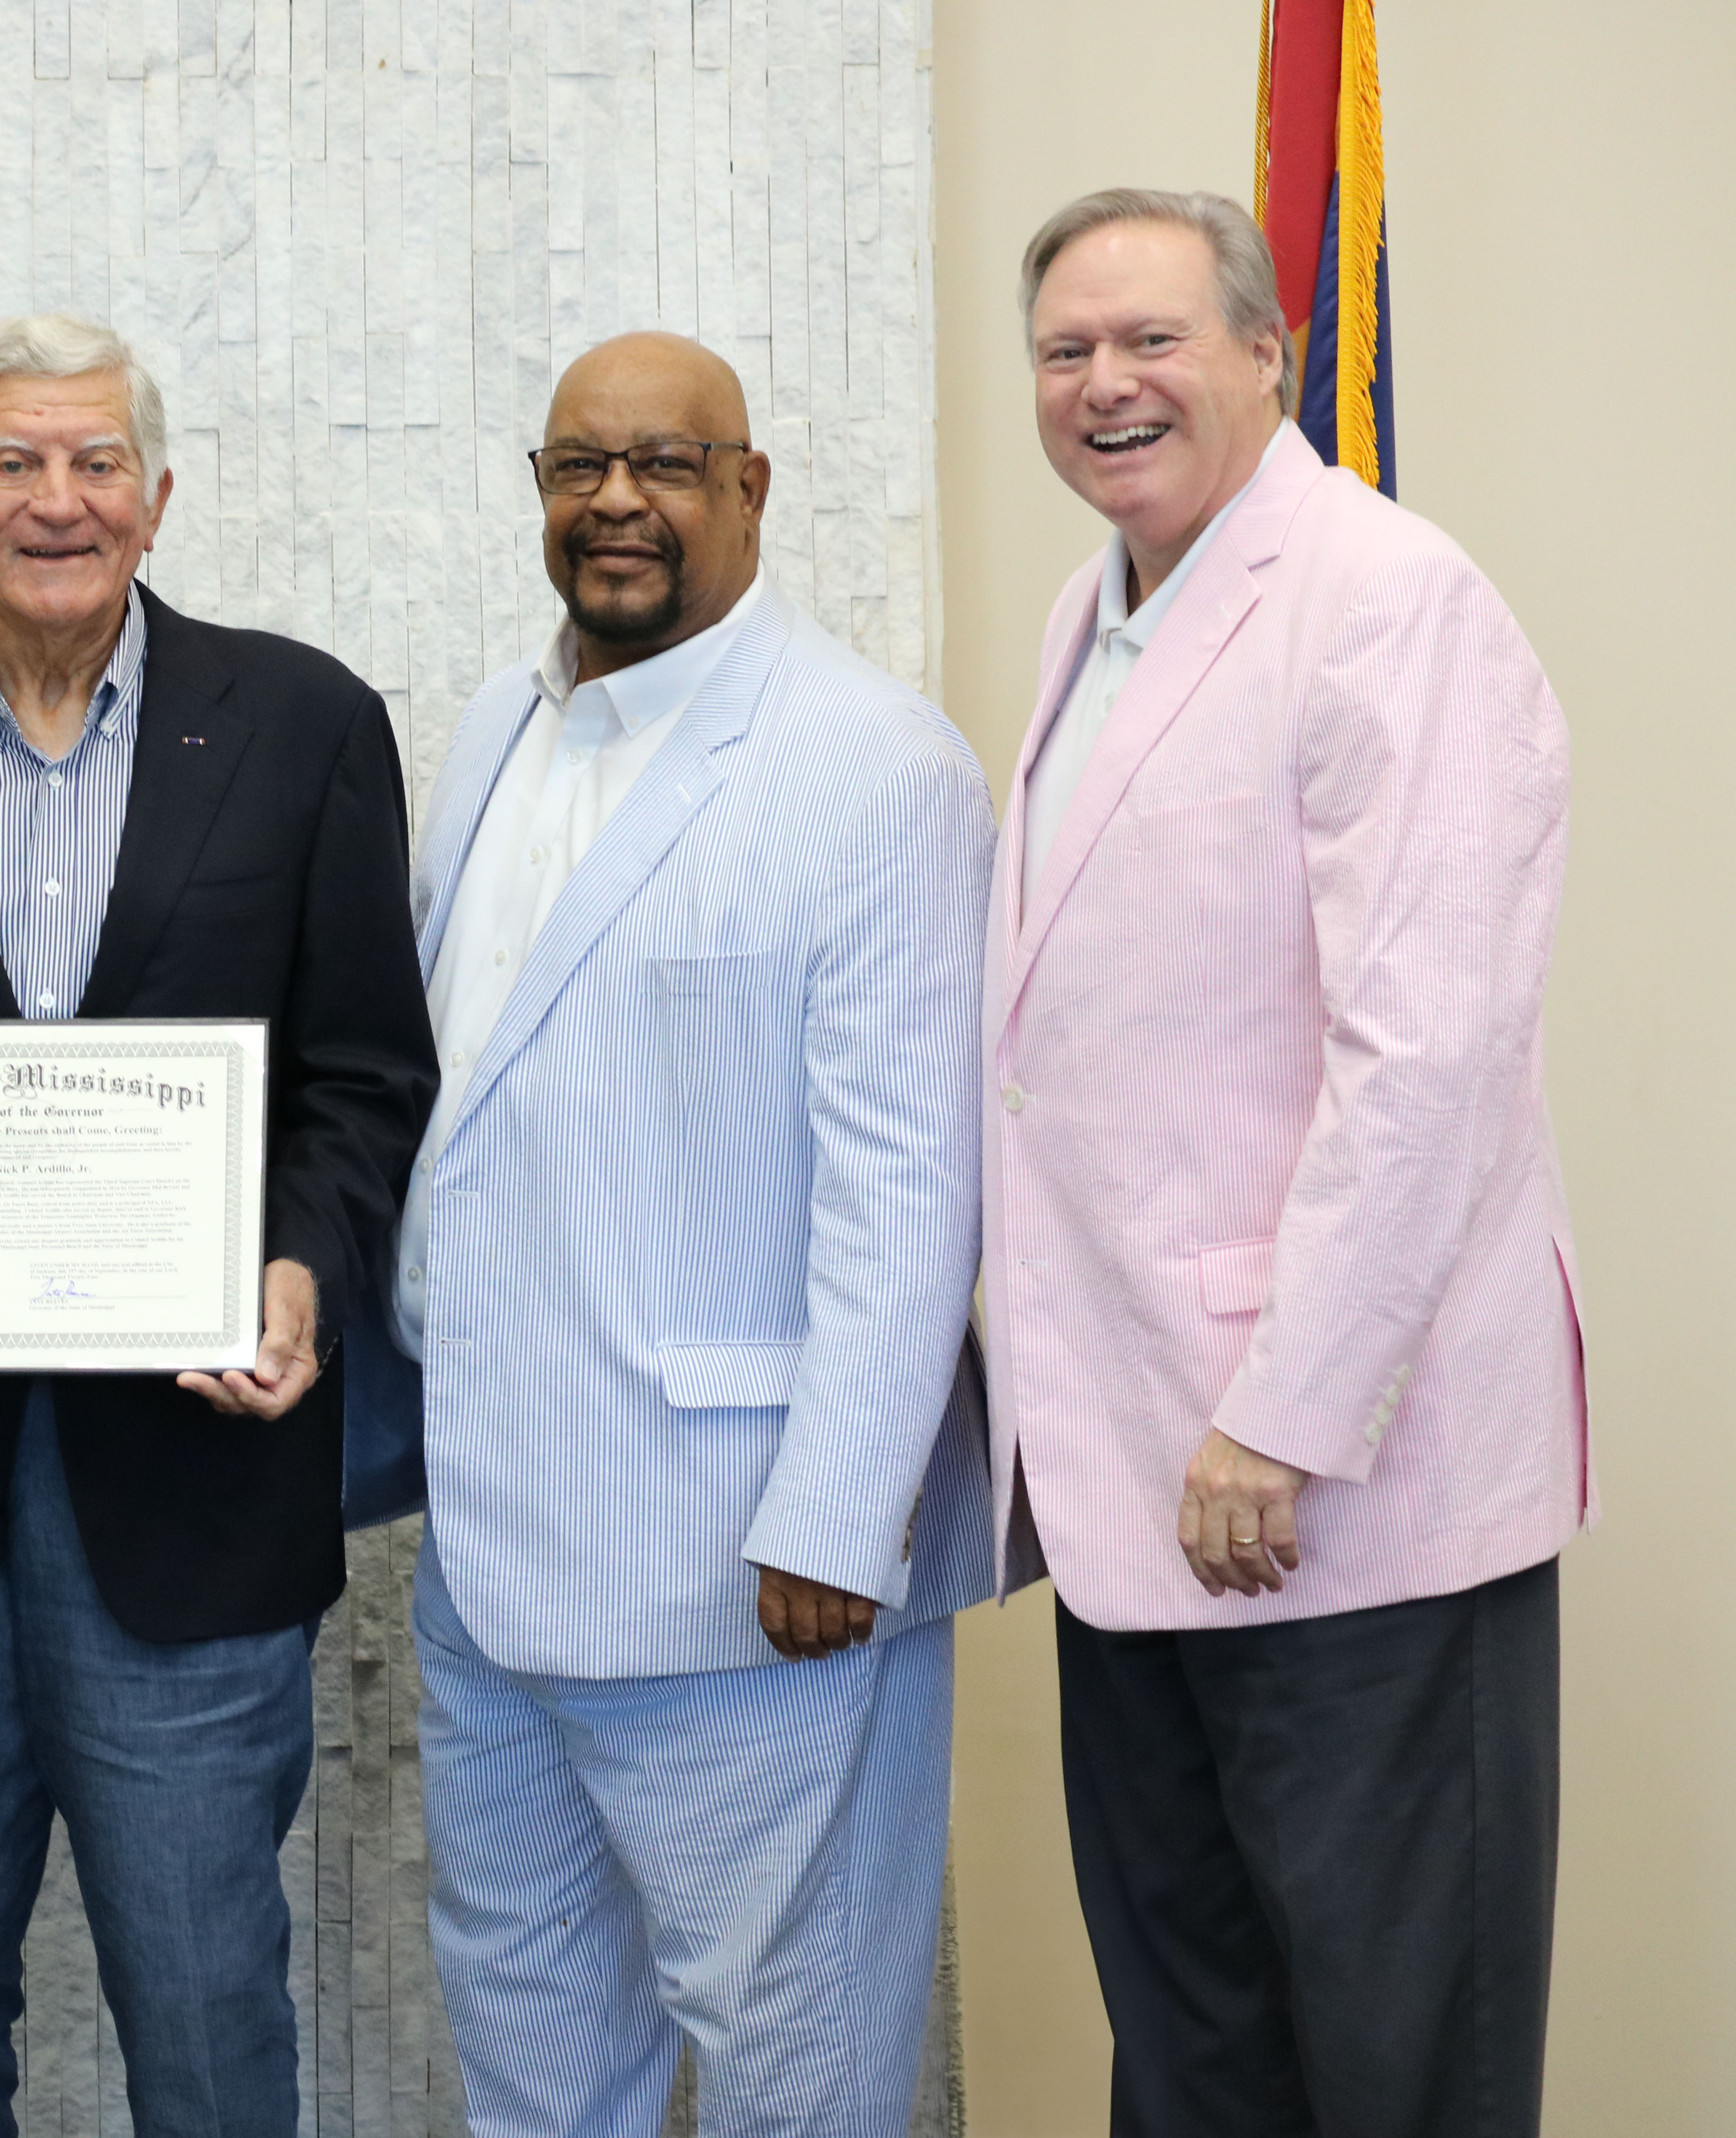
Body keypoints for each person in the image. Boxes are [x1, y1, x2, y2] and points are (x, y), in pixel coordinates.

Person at [0, 313, 433, 2135]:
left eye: (97, 464)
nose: (59, 501)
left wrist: (299, 1267)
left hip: (190, 1499)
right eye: (17, 466)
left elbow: (363, 1075)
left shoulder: (305, 726)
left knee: (205, 2023)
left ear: (160, 496)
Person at [335, 331, 994, 2136]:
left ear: (752, 490)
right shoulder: (493, 725)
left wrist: (841, 1516)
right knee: (539, 2060)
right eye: (577, 465)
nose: (616, 500)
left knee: (803, 2071)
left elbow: (910, 1178)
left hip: (754, 1570)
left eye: (669, 464)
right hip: (490, 1558)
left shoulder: (876, 769)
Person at [990, 189, 1583, 2137]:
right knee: (1195, 2053)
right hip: (1139, 1493)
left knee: (1395, 2064)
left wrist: (1289, 1410)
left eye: (1152, 339)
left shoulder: (1386, 598)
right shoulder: (1102, 611)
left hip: (1327, 1482)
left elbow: (1430, 1056)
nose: (1107, 385)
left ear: (1268, 352)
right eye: (1069, 350)